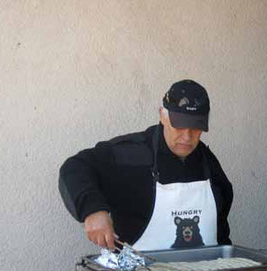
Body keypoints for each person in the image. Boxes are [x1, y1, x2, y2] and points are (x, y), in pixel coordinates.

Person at [59, 79, 233, 251]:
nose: (187, 136)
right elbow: (75, 167)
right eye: (179, 125)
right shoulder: (132, 154)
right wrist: (92, 210)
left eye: (195, 127)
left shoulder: (209, 164)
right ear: (162, 116)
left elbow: (221, 235)